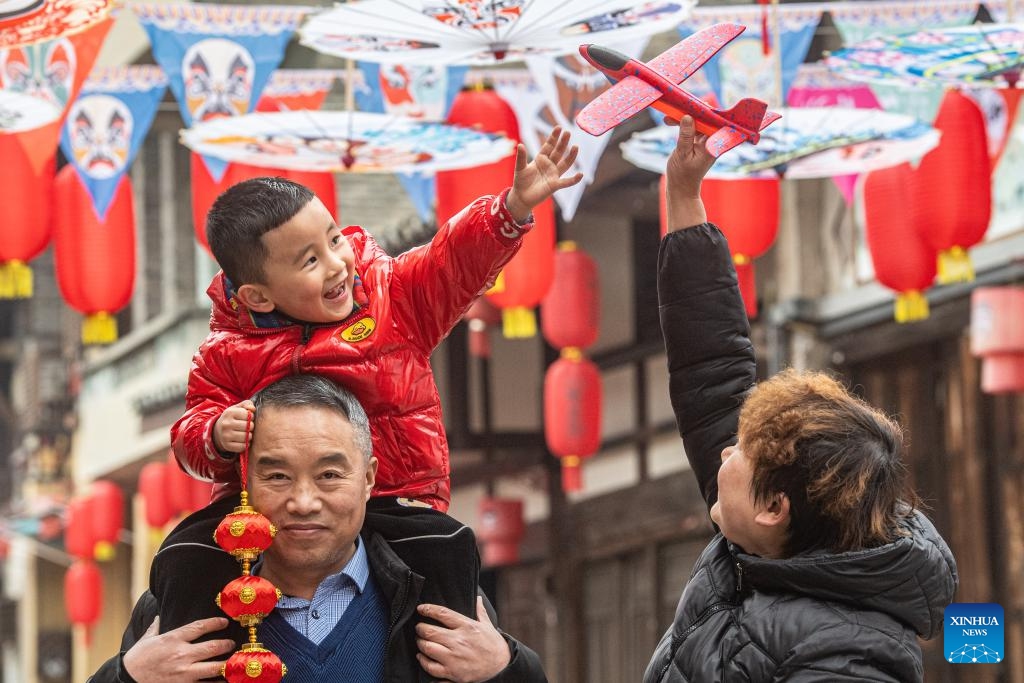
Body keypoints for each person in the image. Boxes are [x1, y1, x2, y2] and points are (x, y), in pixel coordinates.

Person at [160, 127, 583, 631]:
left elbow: (450, 263)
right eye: (310, 261)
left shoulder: (394, 300)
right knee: (183, 555)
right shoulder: (225, 355)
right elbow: (190, 436)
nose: (337, 264)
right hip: (267, 517)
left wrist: (509, 210)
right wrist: (214, 434)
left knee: (444, 556)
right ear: (257, 297)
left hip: (396, 498)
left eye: (334, 239)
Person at [644, 116, 958, 682]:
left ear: (774, 507)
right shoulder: (778, 537)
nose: (723, 454)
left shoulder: (851, 660)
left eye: (739, 452)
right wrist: (684, 194)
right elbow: (712, 370)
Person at [90, 374, 547, 683]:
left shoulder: (436, 594)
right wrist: (126, 677)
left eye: (329, 475)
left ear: (368, 478)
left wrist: (507, 669)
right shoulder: (184, 604)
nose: (303, 502)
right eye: (277, 477)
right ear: (245, 484)